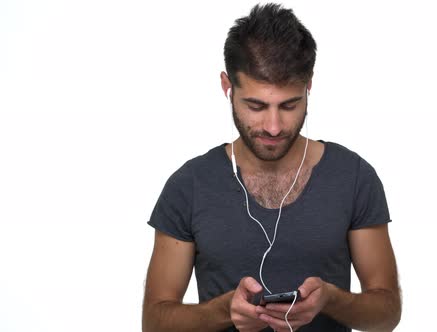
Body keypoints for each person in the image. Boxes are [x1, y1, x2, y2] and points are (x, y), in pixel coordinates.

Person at [142, 3, 401, 331]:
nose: (274, 126)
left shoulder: (354, 177)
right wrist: (224, 310)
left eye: (289, 105)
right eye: (256, 106)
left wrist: (332, 299)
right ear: (227, 87)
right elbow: (154, 322)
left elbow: (387, 313)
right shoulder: (188, 186)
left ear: (309, 87)